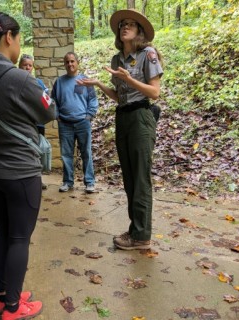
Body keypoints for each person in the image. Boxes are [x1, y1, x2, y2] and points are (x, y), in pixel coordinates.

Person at [0, 11, 55, 319]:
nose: (19, 45)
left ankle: (3, 298)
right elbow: (49, 112)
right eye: (19, 38)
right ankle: (14, 308)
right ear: (8, 38)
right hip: (20, 171)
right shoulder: (18, 78)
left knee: (1, 233)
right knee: (19, 238)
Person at [78, 9, 163, 250]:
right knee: (129, 177)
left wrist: (130, 80)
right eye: (122, 25)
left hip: (141, 117)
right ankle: (135, 230)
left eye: (131, 25)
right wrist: (99, 84)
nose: (125, 27)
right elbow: (119, 96)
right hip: (123, 116)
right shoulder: (117, 60)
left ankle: (142, 236)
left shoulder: (148, 53)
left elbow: (154, 92)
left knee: (140, 177)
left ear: (139, 31)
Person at [52, 52, 98, 194]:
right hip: (65, 124)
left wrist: (89, 116)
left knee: (86, 153)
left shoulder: (85, 81)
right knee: (66, 154)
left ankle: (89, 182)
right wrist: (57, 116)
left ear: (77, 62)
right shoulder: (59, 82)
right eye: (67, 62)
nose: (70, 64)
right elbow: (53, 102)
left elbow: (93, 99)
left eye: (72, 61)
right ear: (64, 64)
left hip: (82, 123)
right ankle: (68, 182)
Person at [18, 53, 49, 190]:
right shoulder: (15, 82)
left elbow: (46, 102)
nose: (28, 68)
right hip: (22, 124)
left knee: (37, 152)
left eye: (30, 66)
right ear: (19, 66)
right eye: (25, 65)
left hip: (37, 124)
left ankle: (38, 179)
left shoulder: (39, 83)